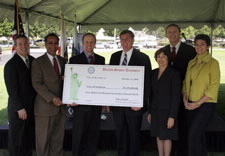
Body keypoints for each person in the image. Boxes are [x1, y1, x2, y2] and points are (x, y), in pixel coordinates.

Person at [109, 30, 152, 156]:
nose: (124, 42)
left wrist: (141, 102)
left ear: (133, 40)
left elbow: (147, 82)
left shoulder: (143, 58)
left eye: (127, 39)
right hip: (118, 105)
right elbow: (110, 79)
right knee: (120, 132)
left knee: (134, 133)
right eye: (122, 39)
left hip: (134, 105)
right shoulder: (115, 56)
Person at [183, 34, 220, 156]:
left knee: (193, 135)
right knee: (199, 135)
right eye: (197, 44)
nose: (199, 47)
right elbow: (186, 83)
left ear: (208, 46)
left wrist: (198, 103)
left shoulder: (213, 63)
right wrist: (185, 100)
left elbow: (214, 87)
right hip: (190, 104)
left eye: (202, 44)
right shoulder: (191, 63)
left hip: (206, 105)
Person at [69, 33, 105, 156]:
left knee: (93, 132)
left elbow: (103, 80)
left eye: (92, 42)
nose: (89, 45)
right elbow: (71, 81)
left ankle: (91, 153)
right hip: (80, 104)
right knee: (79, 133)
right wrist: (70, 98)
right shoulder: (74, 60)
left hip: (96, 104)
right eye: (87, 42)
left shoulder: (101, 60)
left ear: (95, 43)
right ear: (83, 44)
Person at [163, 24, 196, 156]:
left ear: (180, 33)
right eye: (169, 32)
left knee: (183, 124)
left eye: (175, 32)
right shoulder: (163, 51)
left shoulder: (190, 50)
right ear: (166, 34)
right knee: (170, 123)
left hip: (184, 94)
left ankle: (183, 151)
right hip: (168, 95)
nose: (172, 34)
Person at [31, 33, 66, 156]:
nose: (53, 46)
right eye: (50, 43)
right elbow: (37, 84)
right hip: (45, 109)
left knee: (57, 140)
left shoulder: (62, 61)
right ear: (45, 44)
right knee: (43, 141)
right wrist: (52, 98)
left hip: (61, 108)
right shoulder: (38, 62)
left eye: (56, 43)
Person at [4, 35, 36, 156]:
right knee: (17, 139)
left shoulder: (33, 61)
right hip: (19, 110)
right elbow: (12, 90)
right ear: (15, 46)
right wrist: (19, 108)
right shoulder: (11, 65)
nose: (24, 46)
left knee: (27, 139)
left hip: (31, 107)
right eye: (20, 44)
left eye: (26, 43)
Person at [147, 48, 181, 156]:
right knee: (158, 135)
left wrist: (172, 116)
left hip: (168, 112)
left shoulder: (174, 74)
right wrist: (150, 112)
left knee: (166, 136)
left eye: (164, 56)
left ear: (168, 58)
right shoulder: (153, 73)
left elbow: (176, 97)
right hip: (155, 110)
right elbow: (151, 95)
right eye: (158, 56)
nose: (161, 59)